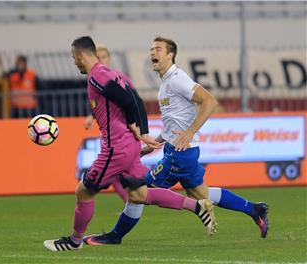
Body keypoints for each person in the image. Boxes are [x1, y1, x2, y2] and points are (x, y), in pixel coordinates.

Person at [83, 36, 269, 246]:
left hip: (182, 153)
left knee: (138, 190)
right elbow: (175, 120)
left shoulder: (178, 78)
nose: (153, 53)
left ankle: (115, 236)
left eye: (159, 49)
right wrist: (156, 142)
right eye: (152, 49)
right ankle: (254, 209)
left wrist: (190, 132)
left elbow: (209, 101)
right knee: (201, 192)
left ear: (171, 55)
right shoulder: (165, 84)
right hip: (177, 150)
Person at [43, 36, 217, 252]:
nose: (74, 62)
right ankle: (197, 206)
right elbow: (136, 98)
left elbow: (128, 99)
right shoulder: (113, 74)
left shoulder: (97, 76)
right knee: (139, 194)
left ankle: (74, 241)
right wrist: (141, 132)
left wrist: (141, 131)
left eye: (74, 58)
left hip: (115, 148)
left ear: (81, 55)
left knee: (83, 191)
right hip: (128, 145)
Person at [83, 44, 137, 202]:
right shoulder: (96, 78)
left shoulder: (119, 77)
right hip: (112, 136)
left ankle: (132, 204)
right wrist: (91, 116)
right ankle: (131, 204)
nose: (101, 60)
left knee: (119, 175)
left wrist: (136, 126)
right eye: (98, 57)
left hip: (124, 136)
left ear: (109, 58)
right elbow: (100, 104)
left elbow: (134, 102)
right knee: (120, 177)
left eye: (103, 57)